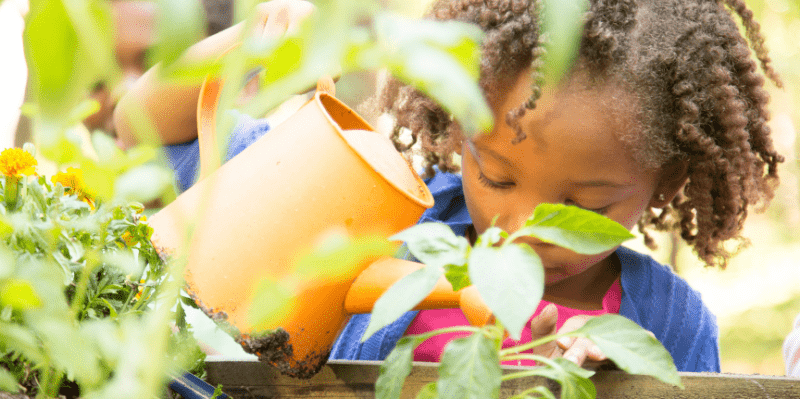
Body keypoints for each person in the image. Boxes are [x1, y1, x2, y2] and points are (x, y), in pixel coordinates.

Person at [115, 0, 783, 373]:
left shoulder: (671, 324)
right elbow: (147, 129)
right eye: (495, 175)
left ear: (665, 185)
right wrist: (252, 45)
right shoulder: (377, 223)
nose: (520, 226)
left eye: (584, 206)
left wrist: (623, 394)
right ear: (456, 130)